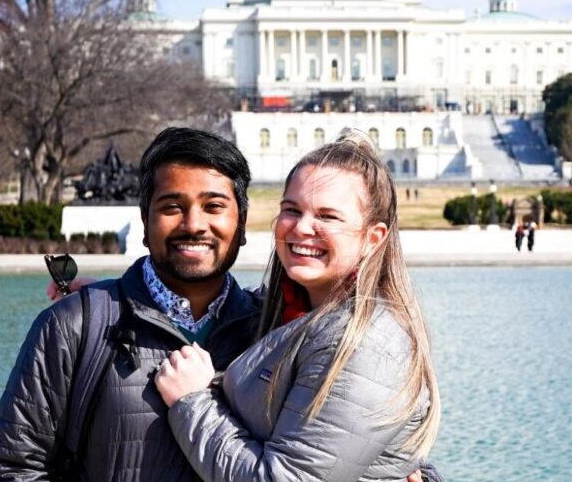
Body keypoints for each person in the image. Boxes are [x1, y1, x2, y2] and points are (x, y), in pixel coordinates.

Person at [153, 129, 440, 481]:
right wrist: (114, 296)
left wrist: (192, 403)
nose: (302, 228)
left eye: (328, 216)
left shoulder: (369, 344)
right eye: (292, 210)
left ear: (372, 238)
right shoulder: (297, 312)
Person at [0, 127, 262, 480]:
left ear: (240, 225)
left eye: (214, 207)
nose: (194, 225)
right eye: (172, 206)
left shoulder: (271, 329)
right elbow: (15, 468)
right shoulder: (73, 326)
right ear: (145, 222)